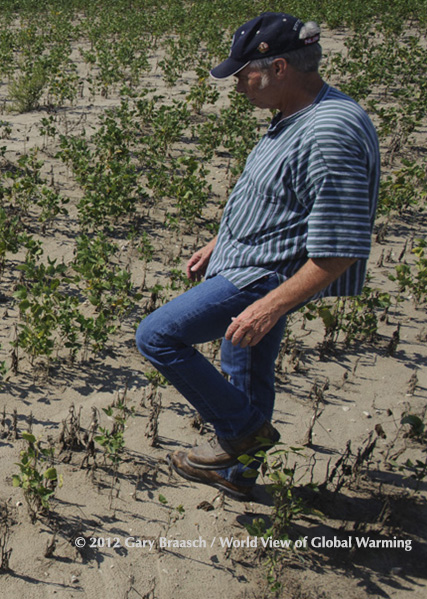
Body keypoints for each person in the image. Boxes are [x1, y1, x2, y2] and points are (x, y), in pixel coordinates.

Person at [135, 12, 380, 500]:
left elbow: (341, 250)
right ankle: (237, 474)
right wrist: (220, 242)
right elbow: (279, 200)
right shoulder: (298, 113)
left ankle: (244, 434)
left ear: (280, 68)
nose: (238, 86)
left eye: (244, 74)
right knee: (242, 363)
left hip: (265, 275)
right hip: (247, 257)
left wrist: (270, 305)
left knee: (157, 336)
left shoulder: (331, 131)